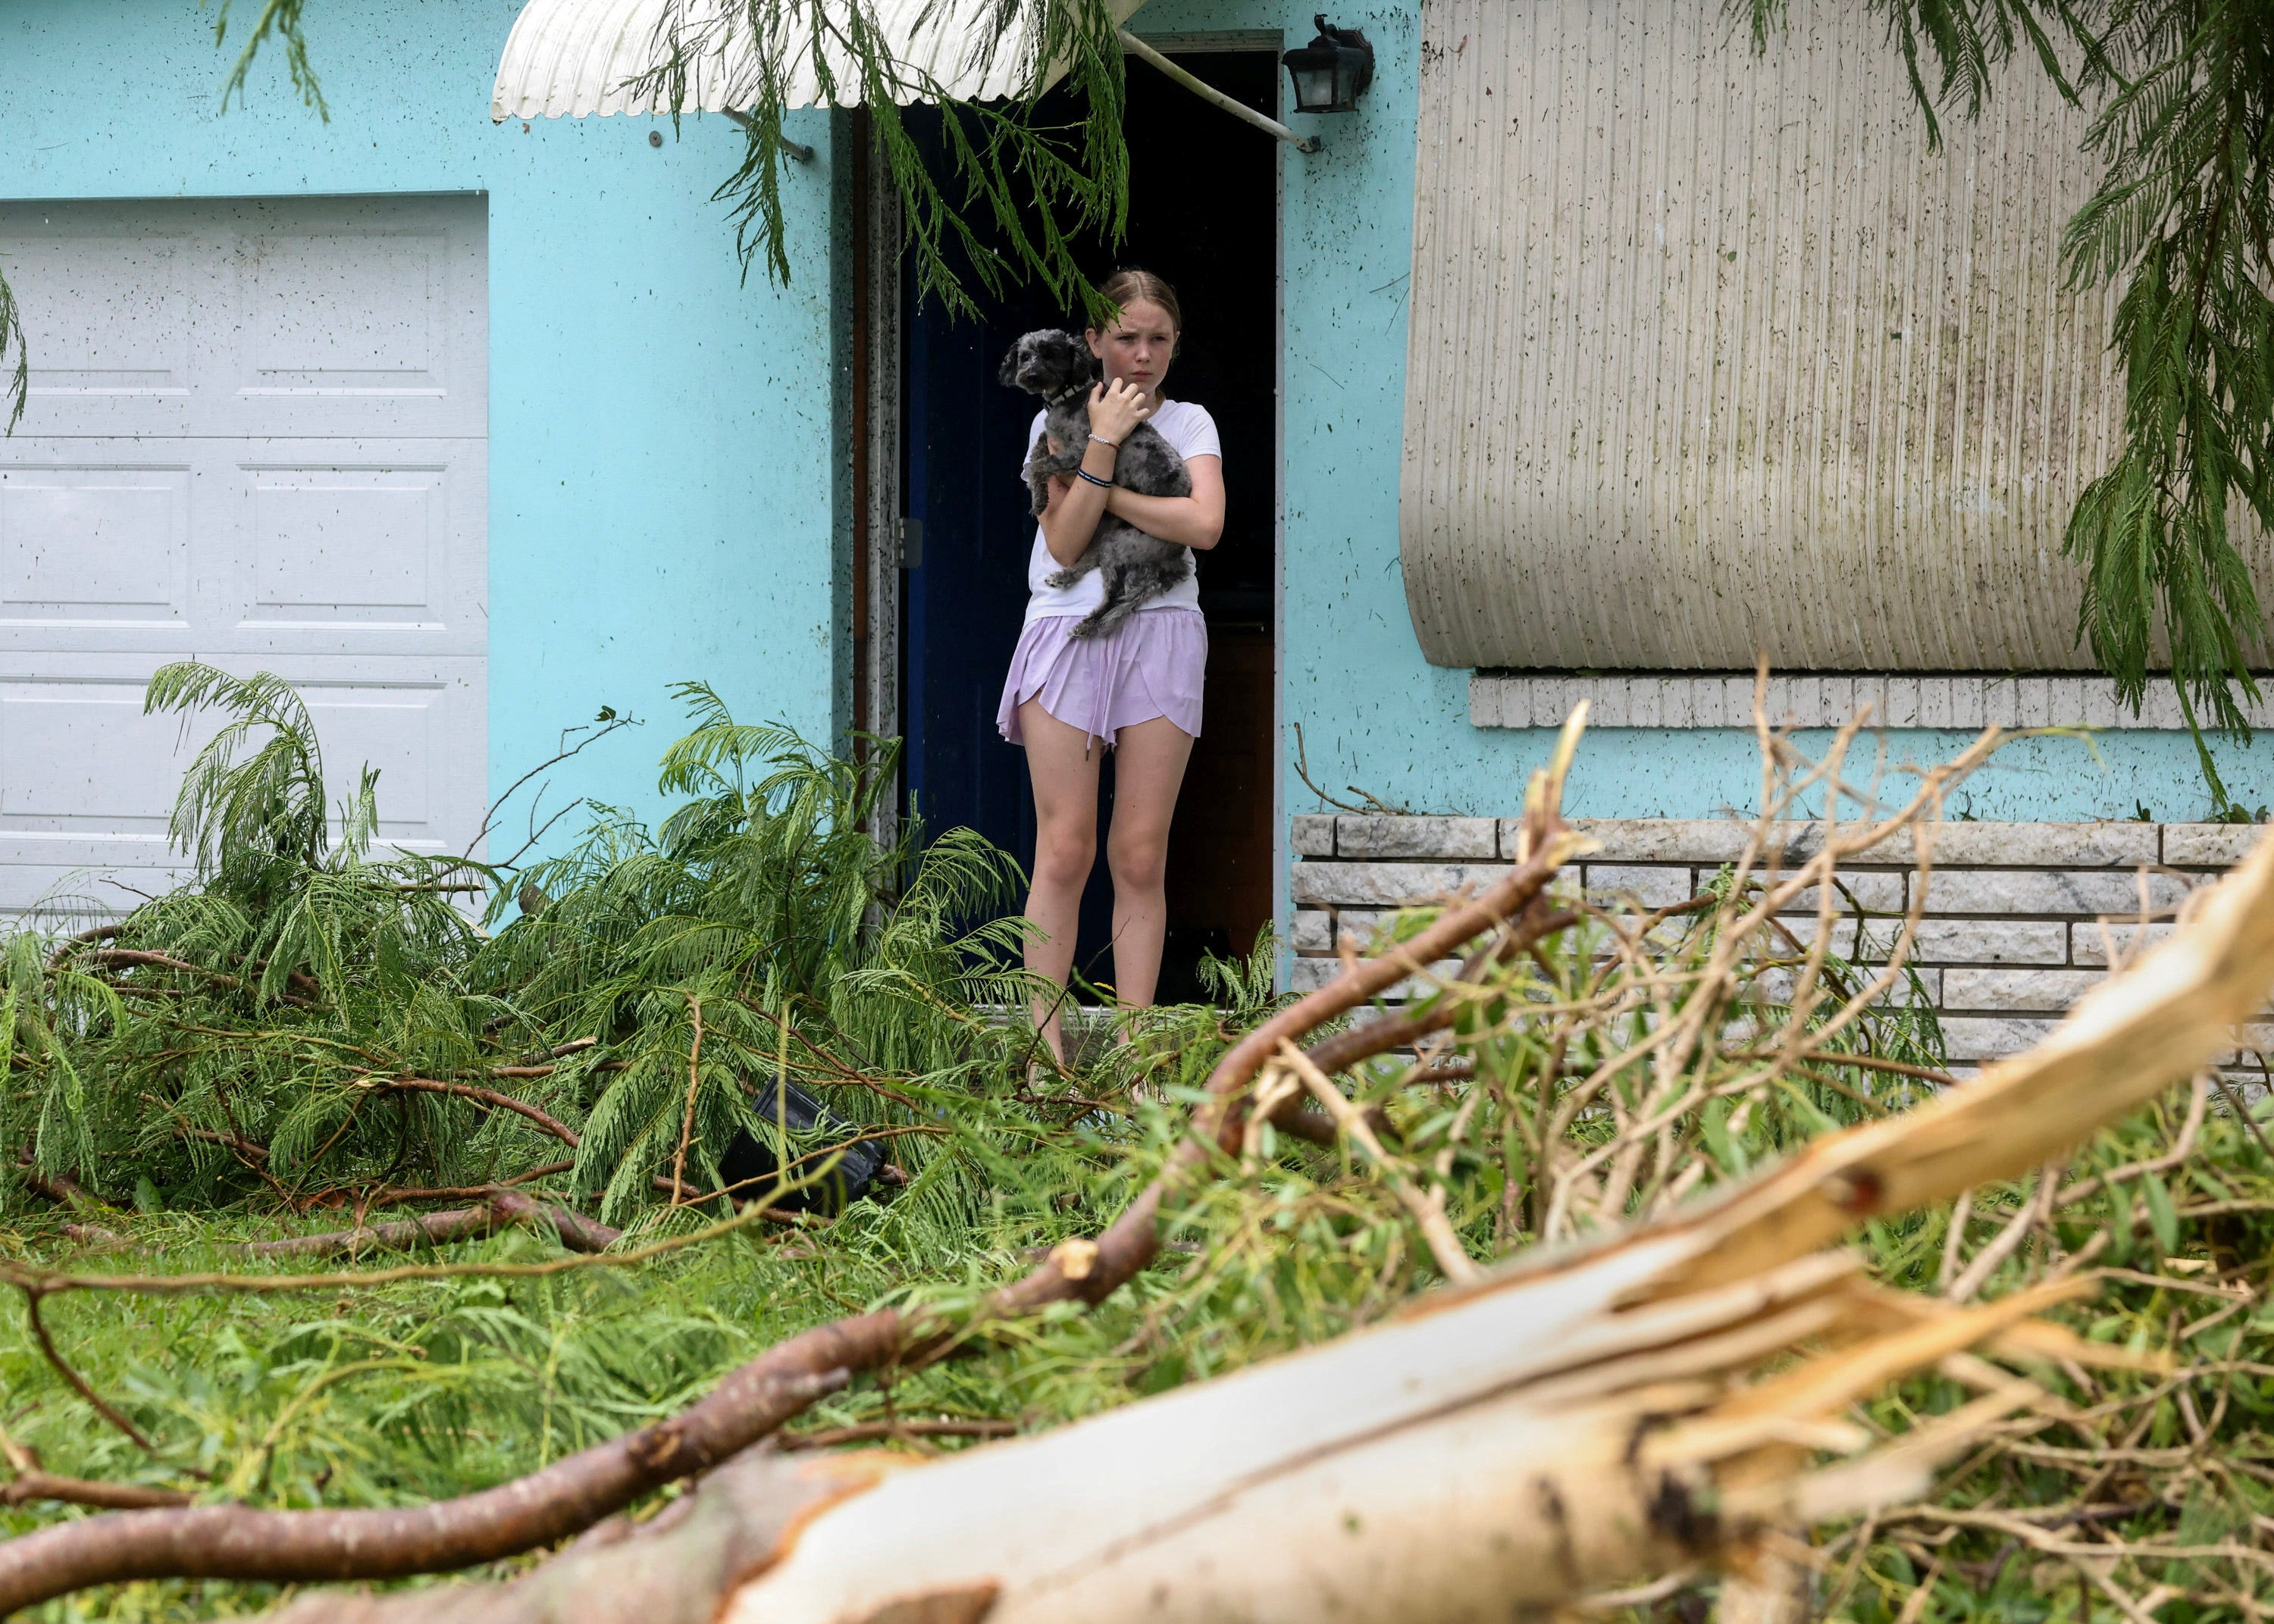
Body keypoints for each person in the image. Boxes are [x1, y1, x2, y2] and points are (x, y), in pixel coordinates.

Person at [994, 269, 1226, 1062]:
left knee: (1139, 853)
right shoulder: (1052, 423)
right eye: (1125, 336)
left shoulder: (1192, 423)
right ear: (1092, 341)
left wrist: (1111, 491)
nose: (1142, 353)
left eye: (1158, 338)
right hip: (1068, 627)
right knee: (1065, 847)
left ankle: (1133, 1061)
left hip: (1160, 627)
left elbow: (1203, 523)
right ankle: (1045, 1058)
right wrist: (1102, 441)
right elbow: (1062, 542)